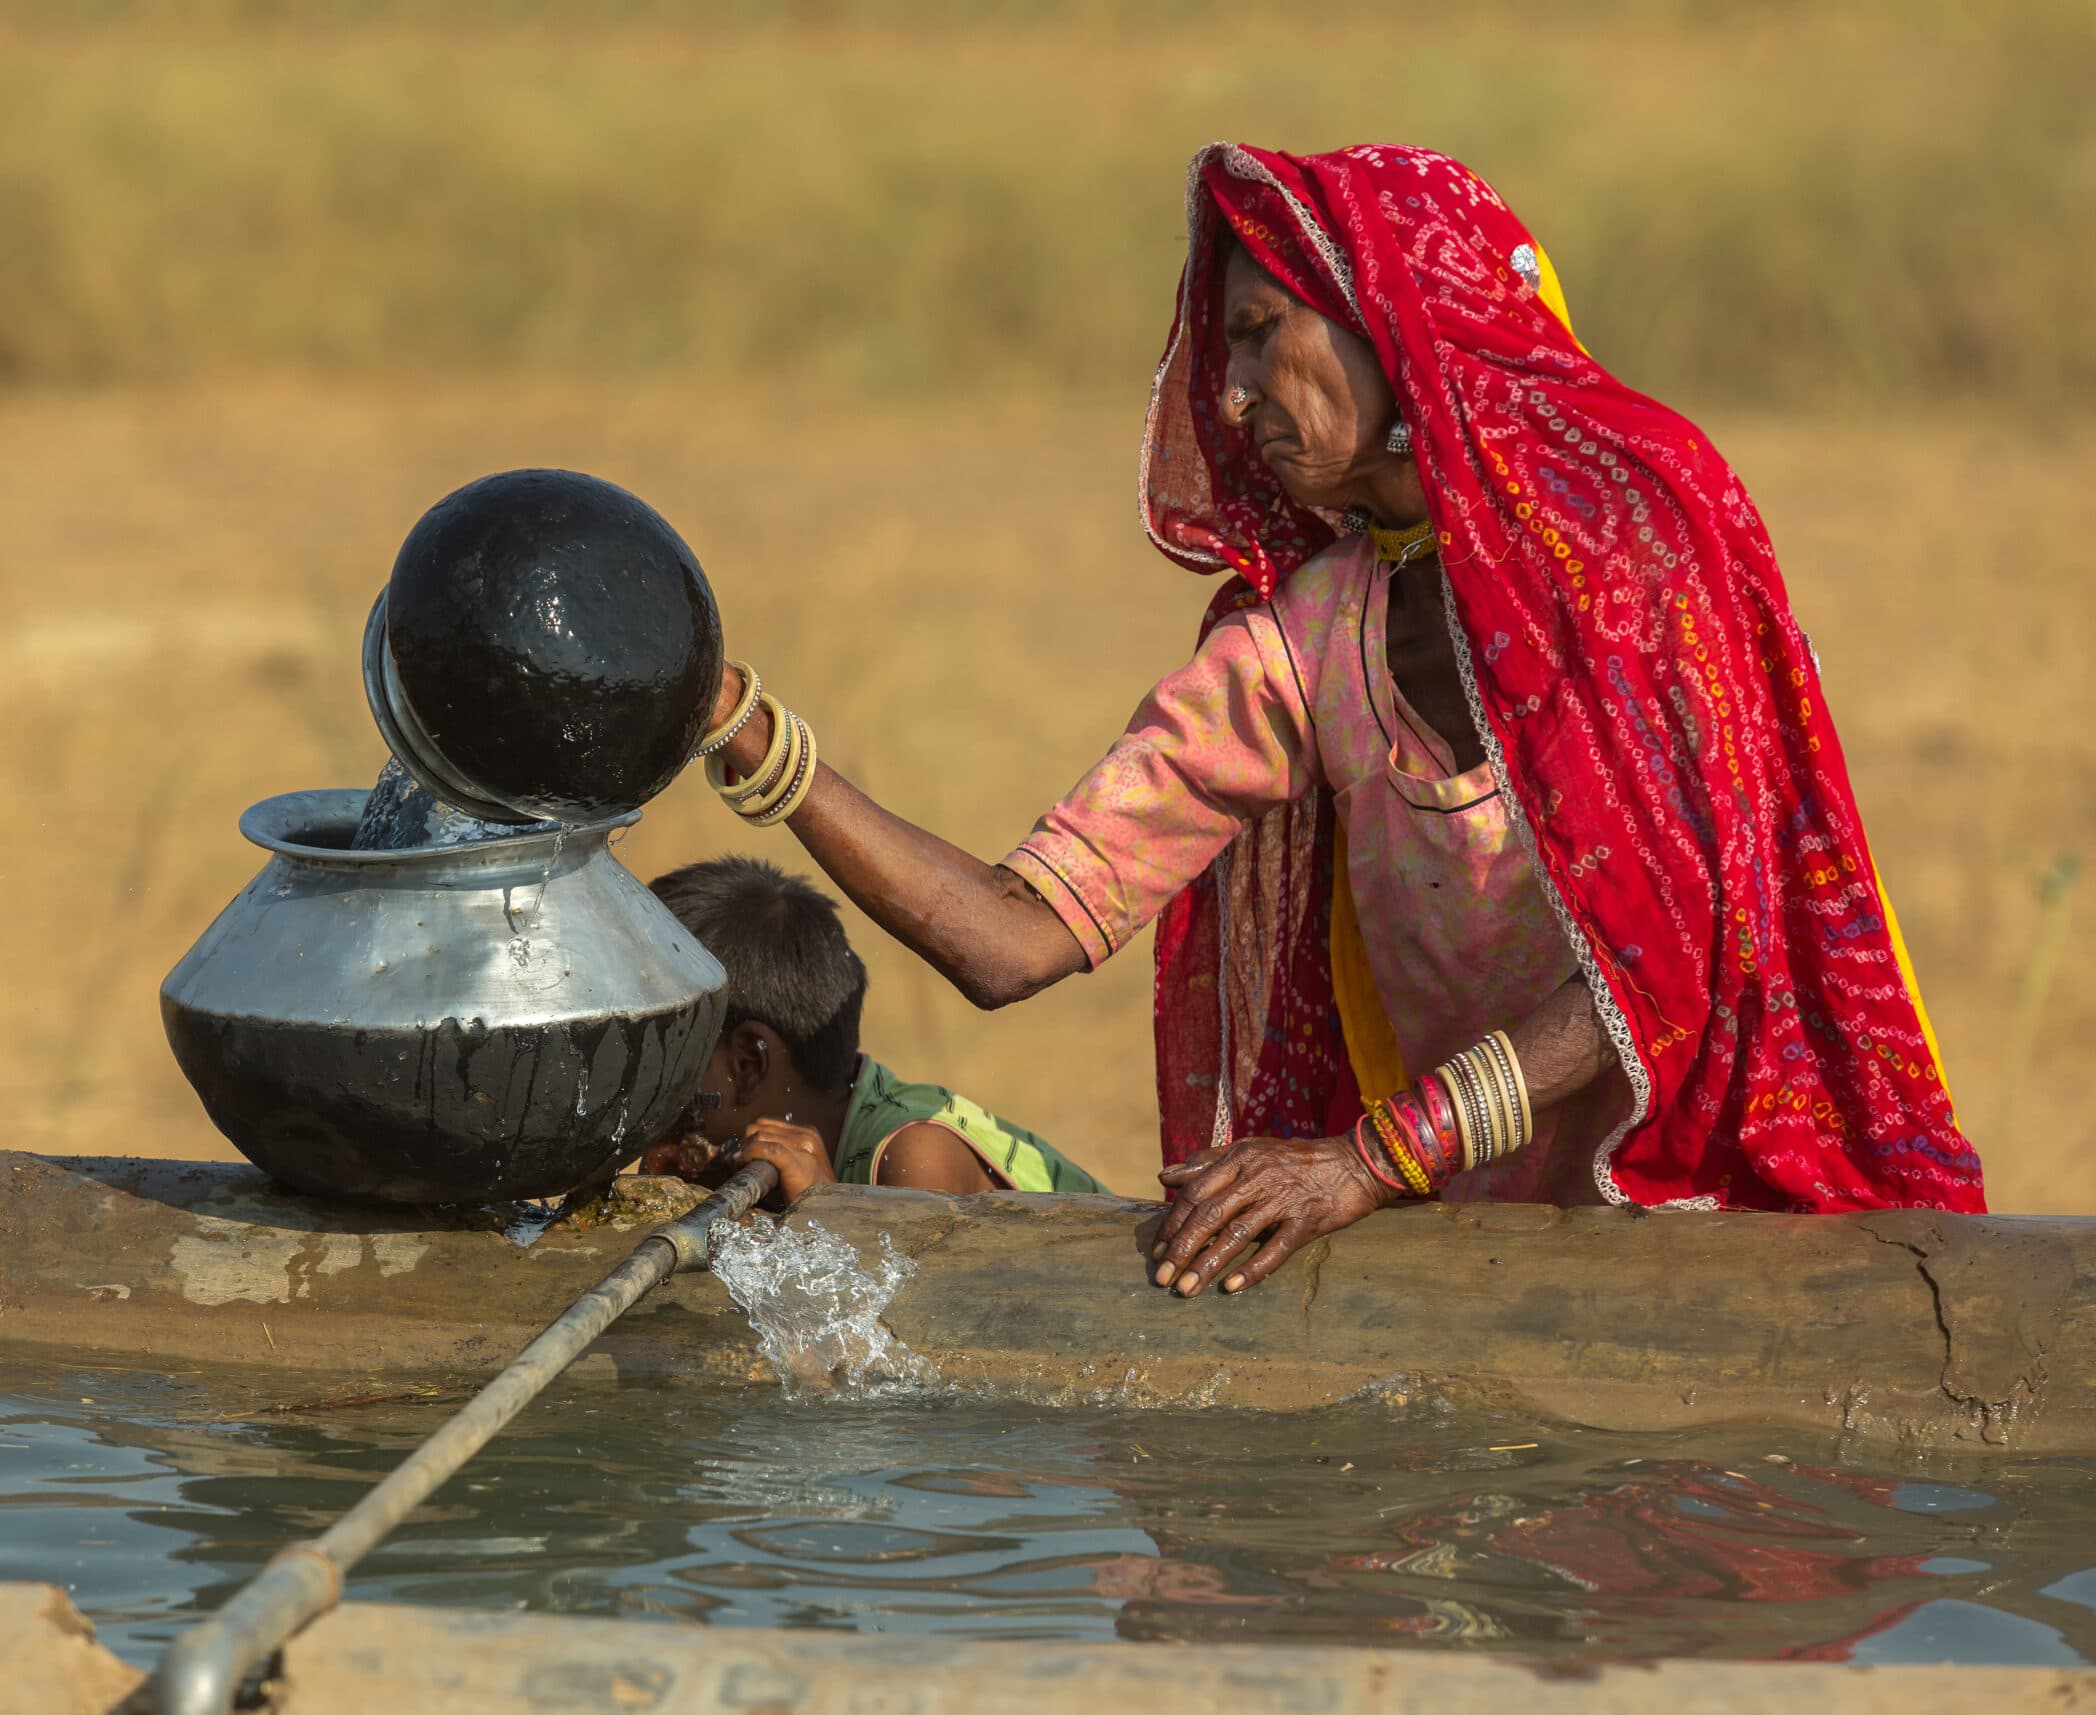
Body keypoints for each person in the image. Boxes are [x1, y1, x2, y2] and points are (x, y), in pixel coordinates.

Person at [690, 142, 1984, 1295]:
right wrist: (744, 727)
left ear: (1395, 320)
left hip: (1731, 1210)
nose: (1237, 390)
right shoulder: (1312, 634)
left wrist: (1369, 1158)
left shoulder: (1635, 533)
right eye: (1230, 351)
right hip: (1478, 1249)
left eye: (1260, 332)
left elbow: (1674, 957)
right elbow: (1011, 940)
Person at [639, 856, 1106, 1203]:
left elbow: (913, 1326)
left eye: (656, 1061)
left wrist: (829, 1215)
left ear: (748, 1063)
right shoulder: (815, 1120)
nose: (639, 1091)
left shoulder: (914, 1158)